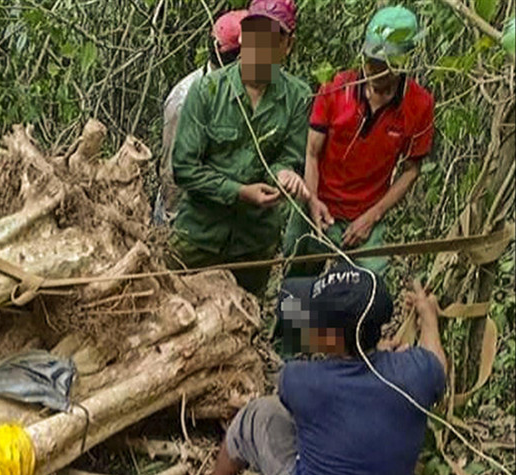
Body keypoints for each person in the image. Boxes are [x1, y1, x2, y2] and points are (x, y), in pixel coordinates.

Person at [202, 263, 447, 475]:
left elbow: (330, 399)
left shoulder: (298, 379)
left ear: (330, 335)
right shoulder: (415, 372)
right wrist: (428, 318)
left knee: (257, 414)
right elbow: (437, 363)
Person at [169, 0, 311, 297]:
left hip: (253, 245)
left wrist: (285, 175)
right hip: (198, 237)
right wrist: (238, 192)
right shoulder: (208, 91)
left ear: (288, 45)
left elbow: (289, 157)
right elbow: (183, 168)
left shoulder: (298, 97)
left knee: (240, 326)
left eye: (273, 37)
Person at [283, 6, 435, 277]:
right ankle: (293, 318)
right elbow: (312, 153)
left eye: (384, 66)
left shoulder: (419, 104)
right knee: (297, 284)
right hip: (319, 200)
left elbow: (411, 170)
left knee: (368, 289)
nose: (375, 72)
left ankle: (343, 318)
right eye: (371, 62)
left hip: (366, 211)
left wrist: (373, 216)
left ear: (403, 62)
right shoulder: (335, 88)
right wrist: (313, 200)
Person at [154, 9, 248, 226]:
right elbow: (172, 174)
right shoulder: (184, 101)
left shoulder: (245, 91)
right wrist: (176, 228)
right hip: (189, 218)